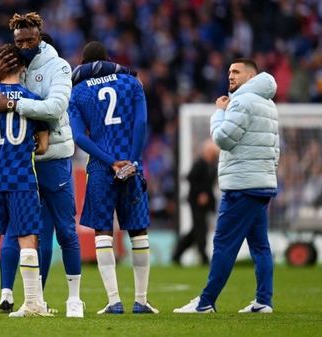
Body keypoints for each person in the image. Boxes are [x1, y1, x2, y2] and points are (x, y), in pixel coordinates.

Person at [0, 12, 83, 318]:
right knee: (24, 231)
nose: (24, 44)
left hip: (52, 158)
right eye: (19, 40)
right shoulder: (15, 64)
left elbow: (55, 108)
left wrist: (12, 103)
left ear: (39, 35)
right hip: (20, 163)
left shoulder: (59, 66)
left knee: (64, 230)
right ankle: (21, 298)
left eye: (29, 39)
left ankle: (74, 300)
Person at [173, 58, 280, 313]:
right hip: (262, 183)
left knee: (223, 244)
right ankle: (264, 301)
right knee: (260, 246)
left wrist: (219, 112)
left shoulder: (242, 101)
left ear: (251, 77)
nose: (230, 76)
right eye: (229, 71)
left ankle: (205, 302)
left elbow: (223, 138)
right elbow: (274, 148)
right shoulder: (269, 103)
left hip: (242, 185)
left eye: (236, 72)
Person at [69, 41, 159, 315]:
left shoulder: (79, 92)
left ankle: (114, 301)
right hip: (131, 164)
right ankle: (141, 301)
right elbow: (141, 123)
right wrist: (130, 160)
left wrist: (110, 162)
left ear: (85, 64)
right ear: (108, 59)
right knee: (138, 231)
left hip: (100, 167)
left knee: (103, 231)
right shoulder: (132, 82)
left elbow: (79, 136)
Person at [0, 43, 50, 318]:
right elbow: (42, 146)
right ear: (21, 67)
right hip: (21, 177)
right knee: (27, 240)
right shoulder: (32, 99)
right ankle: (31, 303)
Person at [172, 139, 219, 265]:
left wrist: (210, 202)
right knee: (200, 229)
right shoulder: (199, 164)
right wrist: (200, 194)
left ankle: (177, 254)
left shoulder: (213, 166)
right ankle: (203, 257)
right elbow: (190, 178)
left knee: (195, 231)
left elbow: (210, 186)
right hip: (196, 203)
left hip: (206, 204)